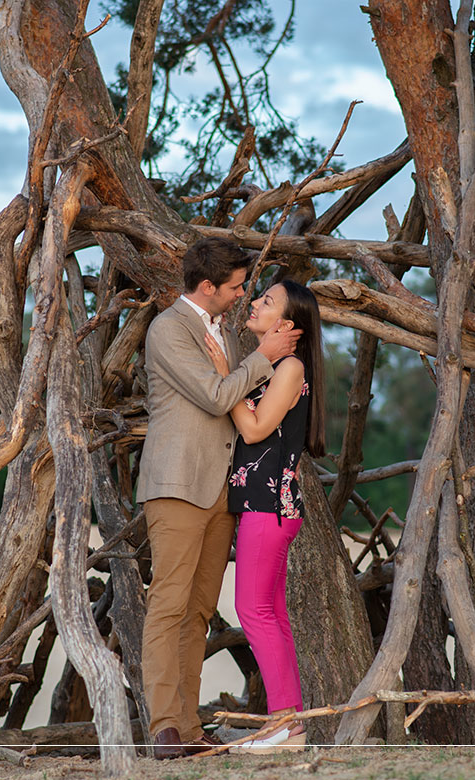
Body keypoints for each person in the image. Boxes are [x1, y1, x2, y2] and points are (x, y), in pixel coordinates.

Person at [137, 237, 300, 760]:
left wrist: (253, 359)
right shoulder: (169, 330)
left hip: (221, 493)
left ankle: (188, 727)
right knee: (168, 604)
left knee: (200, 610)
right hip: (178, 485)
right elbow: (214, 396)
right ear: (207, 287)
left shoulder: (224, 335)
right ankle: (164, 726)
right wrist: (262, 358)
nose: (241, 295)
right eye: (234, 287)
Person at [202, 279, 325, 754]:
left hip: (269, 506)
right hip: (267, 506)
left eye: (267, 301)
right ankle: (289, 725)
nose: (254, 303)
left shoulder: (290, 367)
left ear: (288, 326)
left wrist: (222, 381)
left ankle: (285, 727)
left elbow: (254, 430)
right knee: (270, 614)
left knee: (254, 612)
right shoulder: (273, 367)